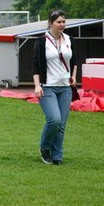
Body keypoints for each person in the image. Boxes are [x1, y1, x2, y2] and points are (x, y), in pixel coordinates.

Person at [32, 9, 77, 165]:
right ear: (51, 23)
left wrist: (73, 77)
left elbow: (74, 61)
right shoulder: (41, 41)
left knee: (62, 124)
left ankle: (57, 156)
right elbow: (35, 66)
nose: (62, 24)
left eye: (64, 21)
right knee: (54, 119)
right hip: (47, 87)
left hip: (65, 88)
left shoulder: (69, 39)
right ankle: (45, 148)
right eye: (59, 22)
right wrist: (37, 86)